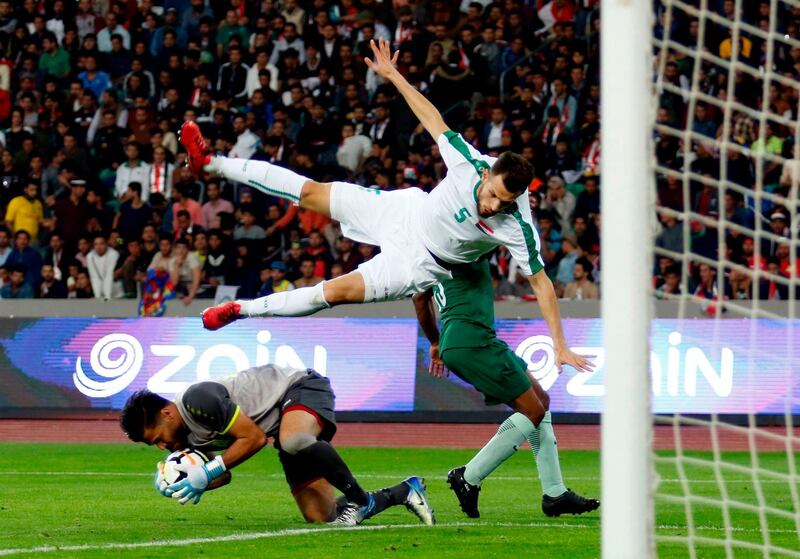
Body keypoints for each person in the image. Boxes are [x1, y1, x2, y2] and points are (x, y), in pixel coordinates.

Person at [190, 39, 589, 375]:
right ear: (488, 175)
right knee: (311, 192)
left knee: (328, 294)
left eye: (503, 202)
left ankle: (238, 310)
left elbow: (542, 284)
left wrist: (560, 344)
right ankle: (211, 163)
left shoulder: (518, 223)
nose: (492, 206)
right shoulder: (470, 162)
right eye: (492, 195)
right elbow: (432, 118)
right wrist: (394, 76)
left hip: (417, 265)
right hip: (402, 212)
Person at [119, 364, 435, 526]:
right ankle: (404, 492)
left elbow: (253, 439)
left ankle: (359, 500)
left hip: (300, 388)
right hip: (280, 425)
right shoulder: (184, 439)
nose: (162, 447)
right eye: (154, 446)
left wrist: (209, 469)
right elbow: (224, 474)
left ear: (166, 413)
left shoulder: (198, 400)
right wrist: (190, 483)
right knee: (320, 516)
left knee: (295, 440)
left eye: (158, 437)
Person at [413, 258, 599, 518]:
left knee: (541, 403)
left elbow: (419, 300)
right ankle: (468, 476)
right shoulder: (463, 239)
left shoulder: (428, 254)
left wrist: (435, 342)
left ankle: (555, 494)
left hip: (469, 337)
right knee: (533, 411)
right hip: (471, 339)